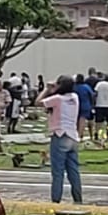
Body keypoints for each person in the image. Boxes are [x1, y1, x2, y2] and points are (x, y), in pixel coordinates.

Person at [40, 74, 83, 205]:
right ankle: (78, 199)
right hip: (72, 135)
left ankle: (56, 199)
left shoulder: (58, 99)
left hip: (60, 134)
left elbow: (38, 102)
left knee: (58, 171)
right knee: (73, 170)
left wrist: (47, 89)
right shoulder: (74, 97)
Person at [93, 72, 108, 145]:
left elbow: (95, 94)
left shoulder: (99, 84)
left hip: (99, 105)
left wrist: (94, 103)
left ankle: (97, 135)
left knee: (99, 122)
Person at [72, 73, 95, 144]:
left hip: (75, 105)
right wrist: (92, 105)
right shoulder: (86, 87)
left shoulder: (73, 87)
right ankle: (79, 136)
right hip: (85, 105)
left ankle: (76, 134)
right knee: (82, 120)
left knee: (76, 120)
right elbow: (92, 95)